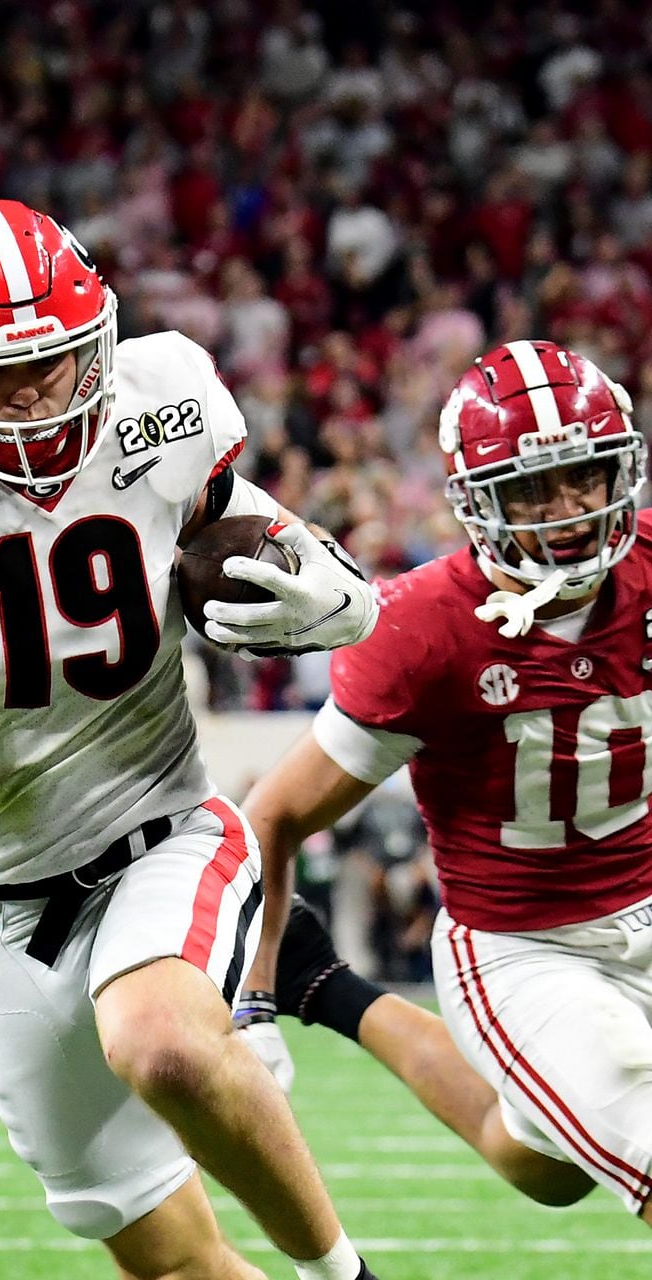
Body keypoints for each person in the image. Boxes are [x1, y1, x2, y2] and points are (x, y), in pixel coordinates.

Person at [0, 199, 381, 1280]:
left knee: (161, 1039)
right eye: (2, 373)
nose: (39, 391)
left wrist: (339, 598)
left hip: (163, 830)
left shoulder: (163, 394)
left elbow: (257, 534)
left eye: (57, 358)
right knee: (169, 1259)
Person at [237, 340, 652, 1226]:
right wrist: (253, 997)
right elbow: (273, 814)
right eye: (532, 489)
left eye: (585, 475)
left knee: (548, 1168)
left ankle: (338, 994)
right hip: (527, 948)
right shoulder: (426, 630)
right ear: (477, 503)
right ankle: (309, 982)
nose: (570, 511)